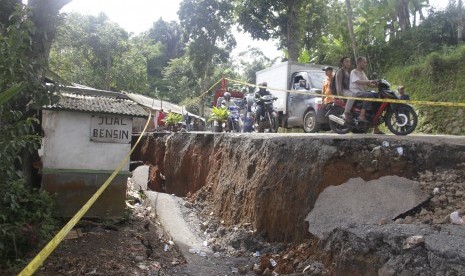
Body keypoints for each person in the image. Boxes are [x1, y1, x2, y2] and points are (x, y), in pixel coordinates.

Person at [350, 56, 383, 134]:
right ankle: (361, 115)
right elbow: (358, 82)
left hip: (362, 92)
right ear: (358, 63)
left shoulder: (362, 73)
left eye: (366, 62)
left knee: (376, 96)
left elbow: (368, 83)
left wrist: (378, 85)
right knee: (369, 95)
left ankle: (376, 128)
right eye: (364, 62)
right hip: (356, 92)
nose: (366, 64)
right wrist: (369, 81)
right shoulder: (354, 72)